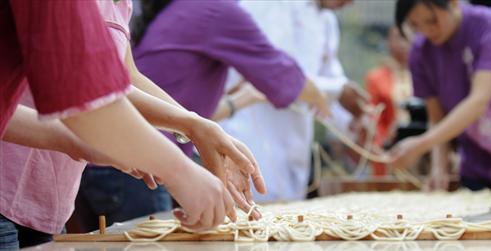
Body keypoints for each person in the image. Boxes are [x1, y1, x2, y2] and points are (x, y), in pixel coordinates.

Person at [0, 0, 259, 251]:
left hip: (47, 201)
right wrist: (180, 170)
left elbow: (116, 83)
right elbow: (83, 93)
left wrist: (195, 125)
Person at [73, 0, 329, 229]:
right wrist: (327, 94)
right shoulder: (215, 10)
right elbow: (280, 76)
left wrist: (198, 129)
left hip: (119, 162)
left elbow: (129, 78)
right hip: (135, 163)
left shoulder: (157, 7)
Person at [390, 0, 491, 193]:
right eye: (416, 25)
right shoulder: (420, 51)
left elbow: (479, 101)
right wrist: (439, 168)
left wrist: (420, 145)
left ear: (453, 3)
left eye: (432, 20)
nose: (427, 30)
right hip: (477, 165)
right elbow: (437, 117)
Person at [221, 0, 370, 202]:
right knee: (250, 208)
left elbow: (331, 84)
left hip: (296, 140)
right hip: (253, 130)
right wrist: (338, 91)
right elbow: (270, 71)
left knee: (288, 220)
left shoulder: (327, 20)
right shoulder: (270, 4)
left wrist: (352, 122)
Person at [364, 25, 413, 176]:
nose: (403, 43)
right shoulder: (376, 78)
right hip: (388, 146)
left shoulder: (424, 74)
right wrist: (380, 142)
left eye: (407, 37)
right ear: (388, 42)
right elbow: (374, 117)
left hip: (420, 146)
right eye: (398, 38)